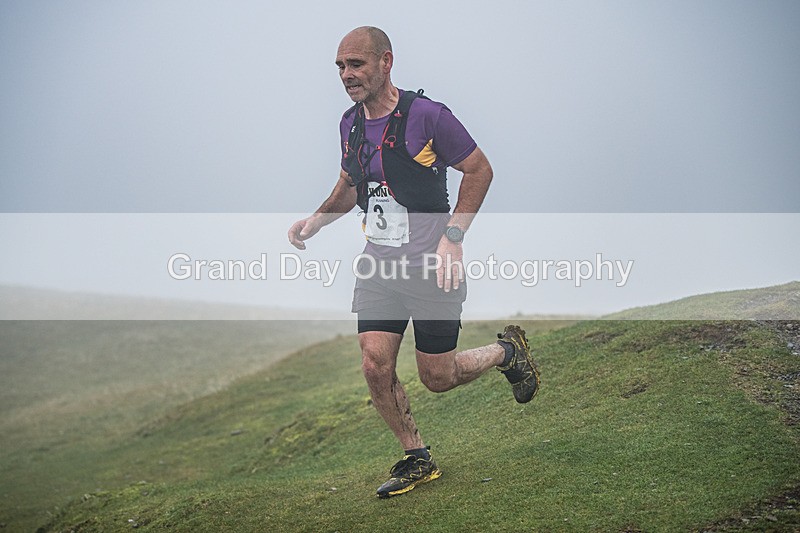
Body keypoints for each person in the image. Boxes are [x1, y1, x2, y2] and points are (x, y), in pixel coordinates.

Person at [287, 26, 540, 499]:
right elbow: (350, 184)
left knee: (438, 378)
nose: (346, 75)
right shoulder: (350, 124)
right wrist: (317, 220)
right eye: (340, 66)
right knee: (373, 363)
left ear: (386, 62)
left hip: (431, 268)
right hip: (380, 267)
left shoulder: (428, 116)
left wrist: (453, 237)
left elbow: (479, 169)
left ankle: (507, 353)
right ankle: (416, 455)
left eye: (356, 64)